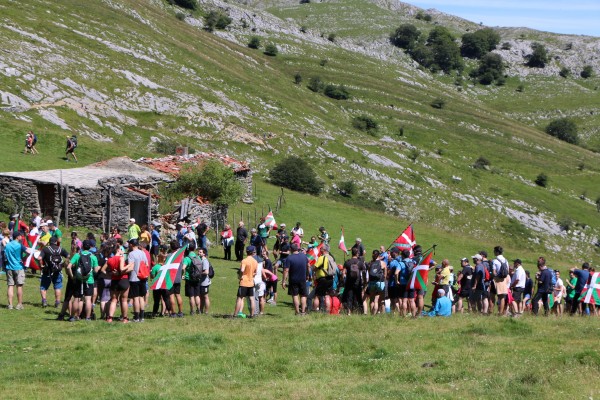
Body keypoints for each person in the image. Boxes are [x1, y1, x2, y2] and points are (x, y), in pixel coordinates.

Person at [66, 240, 98, 321]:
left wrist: (72, 276)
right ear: (90, 247)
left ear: (82, 246)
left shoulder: (77, 255)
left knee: (76, 299)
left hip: (78, 280)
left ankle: (72, 317)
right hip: (89, 280)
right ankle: (87, 317)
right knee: (88, 299)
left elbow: (68, 267)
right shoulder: (93, 256)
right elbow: (96, 270)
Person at [104, 244, 133, 323]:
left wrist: (111, 274)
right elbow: (121, 269)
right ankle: (125, 318)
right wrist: (129, 265)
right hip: (123, 280)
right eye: (120, 249)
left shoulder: (110, 259)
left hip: (114, 281)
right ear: (118, 250)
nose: (122, 250)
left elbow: (103, 270)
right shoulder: (121, 258)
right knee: (124, 300)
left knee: (114, 300)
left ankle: (109, 318)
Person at [37, 236, 68, 308]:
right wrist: (63, 265)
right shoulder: (61, 249)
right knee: (57, 287)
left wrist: (41, 266)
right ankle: (57, 302)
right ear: (56, 242)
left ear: (49, 242)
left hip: (47, 271)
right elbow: (68, 256)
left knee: (43, 287)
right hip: (58, 271)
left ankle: (44, 301)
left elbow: (39, 258)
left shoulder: (45, 249)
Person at [282, 243, 309, 315]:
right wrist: (308, 275)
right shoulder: (304, 256)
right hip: (302, 279)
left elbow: (286, 270)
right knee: (303, 295)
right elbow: (308, 266)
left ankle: (297, 312)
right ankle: (303, 312)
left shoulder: (289, 258)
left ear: (291, 249)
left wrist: (283, 281)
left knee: (295, 295)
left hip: (293, 279)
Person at [127, 239, 149, 322]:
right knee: (141, 297)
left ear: (132, 245)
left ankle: (136, 317)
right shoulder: (143, 253)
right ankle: (142, 317)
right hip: (142, 277)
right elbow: (146, 264)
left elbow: (130, 266)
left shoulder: (131, 254)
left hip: (134, 277)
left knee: (135, 298)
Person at [5, 231, 28, 310]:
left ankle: (10, 305)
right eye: (20, 236)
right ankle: (19, 304)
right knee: (19, 286)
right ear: (18, 237)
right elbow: (28, 251)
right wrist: (25, 258)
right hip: (18, 267)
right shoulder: (19, 245)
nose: (21, 237)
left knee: (10, 286)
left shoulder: (7, 245)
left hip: (9, 267)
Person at [234, 246, 258, 318]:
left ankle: (235, 314)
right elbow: (255, 273)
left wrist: (240, 276)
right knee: (251, 298)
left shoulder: (244, 260)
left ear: (246, 252)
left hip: (244, 282)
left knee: (240, 298)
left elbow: (242, 270)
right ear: (252, 252)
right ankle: (252, 314)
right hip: (251, 282)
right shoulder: (255, 261)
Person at [342, 247, 367, 315]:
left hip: (349, 283)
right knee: (359, 298)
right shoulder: (360, 263)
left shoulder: (347, 262)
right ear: (357, 253)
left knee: (349, 297)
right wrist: (364, 282)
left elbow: (343, 272)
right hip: (358, 283)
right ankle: (361, 312)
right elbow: (364, 273)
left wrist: (343, 280)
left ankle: (349, 313)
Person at [313, 244, 336, 312]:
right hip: (330, 278)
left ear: (324, 250)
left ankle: (314, 311)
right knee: (327, 295)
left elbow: (315, 267)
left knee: (317, 295)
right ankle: (327, 311)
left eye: (321, 248)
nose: (320, 249)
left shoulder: (322, 257)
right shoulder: (332, 258)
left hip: (323, 279)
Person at [151, 252, 173, 317]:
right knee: (166, 299)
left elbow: (152, 276)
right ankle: (169, 312)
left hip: (157, 286)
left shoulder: (155, 267)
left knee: (156, 301)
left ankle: (154, 313)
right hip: (165, 285)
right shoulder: (167, 267)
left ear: (158, 258)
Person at [183, 242, 201, 315]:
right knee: (197, 295)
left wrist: (182, 274)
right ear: (194, 248)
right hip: (197, 278)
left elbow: (183, 268)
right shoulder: (198, 257)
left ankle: (192, 311)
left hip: (189, 279)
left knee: (191, 296)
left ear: (188, 249)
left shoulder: (187, 258)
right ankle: (199, 310)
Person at [367, 249, 386, 315]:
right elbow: (385, 274)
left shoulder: (370, 263)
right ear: (379, 255)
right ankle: (376, 313)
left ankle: (372, 314)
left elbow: (369, 273)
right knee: (377, 299)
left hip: (372, 282)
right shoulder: (382, 263)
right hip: (380, 282)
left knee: (372, 299)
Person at [197, 248, 211, 314]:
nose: (198, 253)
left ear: (204, 253)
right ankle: (200, 310)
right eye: (198, 252)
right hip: (201, 282)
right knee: (201, 296)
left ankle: (206, 311)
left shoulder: (205, 261)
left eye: (200, 252)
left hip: (204, 282)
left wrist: (198, 273)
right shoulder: (201, 260)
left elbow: (206, 272)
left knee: (205, 296)